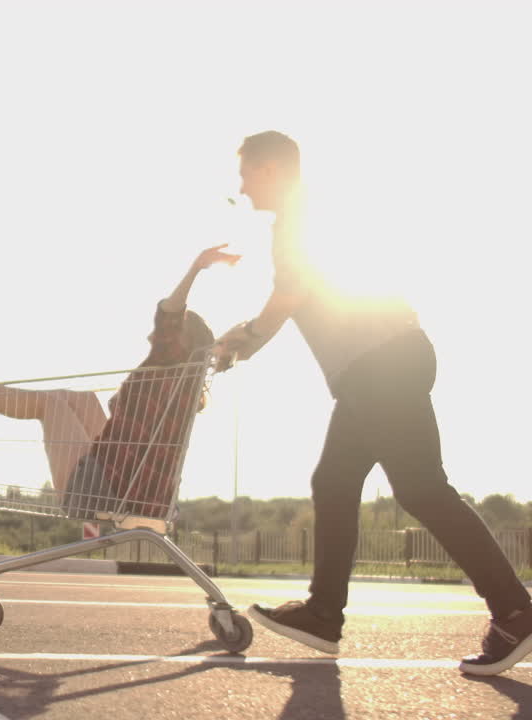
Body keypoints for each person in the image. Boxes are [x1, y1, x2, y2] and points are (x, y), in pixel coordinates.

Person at [214, 130, 532, 676]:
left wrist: (246, 336)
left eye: (245, 174)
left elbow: (291, 292)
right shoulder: (308, 213)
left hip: (379, 367)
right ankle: (322, 614)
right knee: (335, 482)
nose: (241, 188)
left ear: (269, 169)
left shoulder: (298, 218)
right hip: (378, 367)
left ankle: (515, 610)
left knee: (422, 490)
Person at [0, 244, 239, 521]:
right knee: (81, 400)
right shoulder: (182, 384)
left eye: (169, 329)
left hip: (104, 494)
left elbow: (168, 312)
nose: (153, 332)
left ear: (178, 341)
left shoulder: (164, 365)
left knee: (52, 403)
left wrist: (196, 268)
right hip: (135, 489)